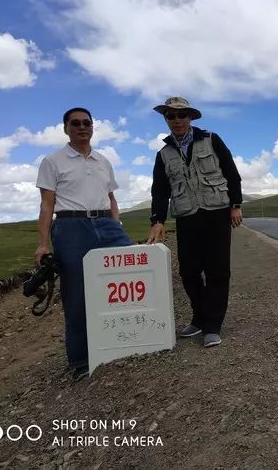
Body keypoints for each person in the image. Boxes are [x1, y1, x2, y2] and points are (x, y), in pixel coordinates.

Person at [35, 107, 132, 381]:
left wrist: (117, 225)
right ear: (66, 128)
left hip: (106, 224)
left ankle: (128, 337)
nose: (82, 127)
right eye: (75, 123)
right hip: (71, 226)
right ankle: (80, 360)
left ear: (93, 127)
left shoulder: (103, 161)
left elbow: (111, 198)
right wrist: (43, 243)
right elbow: (46, 204)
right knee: (76, 293)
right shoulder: (52, 161)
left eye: (86, 123)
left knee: (130, 271)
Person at [146, 96, 243, 348]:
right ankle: (199, 317)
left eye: (182, 115)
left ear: (190, 117)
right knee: (188, 272)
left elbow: (231, 173)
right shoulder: (164, 154)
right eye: (171, 116)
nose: (177, 120)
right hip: (186, 216)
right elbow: (160, 190)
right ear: (166, 119)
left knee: (217, 271)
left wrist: (235, 205)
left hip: (217, 213)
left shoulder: (211, 139)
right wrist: (157, 220)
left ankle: (212, 325)